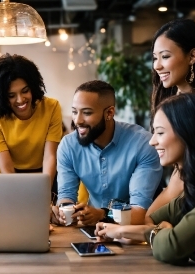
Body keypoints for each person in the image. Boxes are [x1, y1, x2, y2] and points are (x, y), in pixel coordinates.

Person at [96, 93, 195, 269]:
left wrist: (130, 231)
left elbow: (170, 248)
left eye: (160, 132)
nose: (152, 142)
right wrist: (160, 232)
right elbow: (152, 220)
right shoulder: (194, 186)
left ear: (193, 132)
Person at [53, 80, 162, 226]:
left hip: (139, 230)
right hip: (95, 228)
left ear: (109, 113)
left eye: (87, 113)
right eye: (74, 112)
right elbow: (66, 195)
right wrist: (64, 211)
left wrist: (103, 214)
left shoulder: (143, 144)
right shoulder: (68, 145)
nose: (78, 120)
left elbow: (139, 211)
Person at [147, 19, 195, 216]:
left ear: (193, 56)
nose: (157, 66)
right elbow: (178, 178)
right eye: (155, 58)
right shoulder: (173, 98)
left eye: (165, 56)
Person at [0, 54, 63, 190]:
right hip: (11, 180)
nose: (20, 100)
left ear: (33, 87)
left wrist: (44, 192)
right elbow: (6, 168)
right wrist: (18, 196)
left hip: (45, 176)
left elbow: (50, 156)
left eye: (25, 91)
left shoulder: (51, 107)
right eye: (11, 96)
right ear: (0, 97)